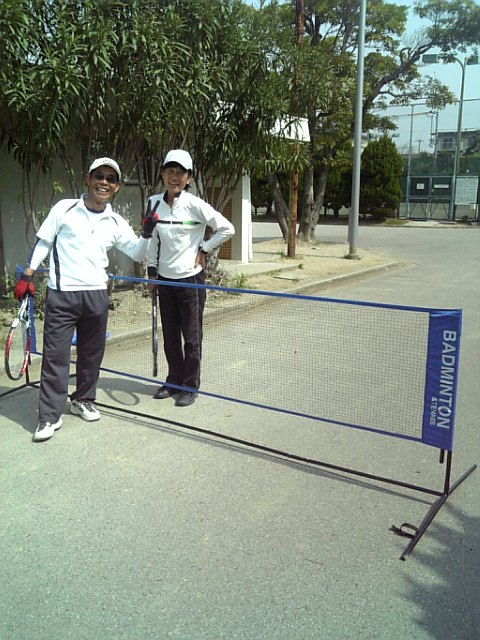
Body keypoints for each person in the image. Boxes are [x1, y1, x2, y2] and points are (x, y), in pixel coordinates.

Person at [14, 158, 157, 442]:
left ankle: (83, 399)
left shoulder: (115, 221)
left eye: (110, 179)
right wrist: (28, 273)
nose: (104, 182)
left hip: (96, 295)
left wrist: (147, 234)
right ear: (88, 179)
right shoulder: (64, 208)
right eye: (99, 176)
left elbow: (138, 253)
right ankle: (49, 416)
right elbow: (44, 242)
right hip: (62, 293)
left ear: (117, 187)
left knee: (91, 355)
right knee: (55, 357)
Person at [146, 149, 235, 407]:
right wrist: (151, 272)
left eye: (180, 173)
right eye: (170, 171)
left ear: (189, 178)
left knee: (192, 337)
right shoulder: (153, 202)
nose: (174, 177)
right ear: (162, 174)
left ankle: (189, 385)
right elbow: (152, 240)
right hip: (164, 280)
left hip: (190, 281)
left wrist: (204, 249)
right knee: (170, 336)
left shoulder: (195, 204)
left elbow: (227, 228)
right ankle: (173, 381)